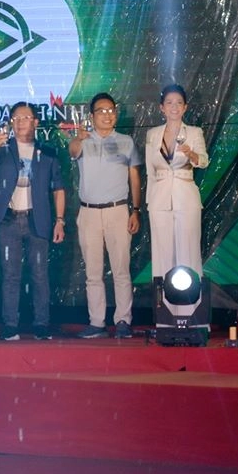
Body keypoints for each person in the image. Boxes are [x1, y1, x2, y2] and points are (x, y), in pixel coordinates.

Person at [0, 102, 66, 341]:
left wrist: (60, 220)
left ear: (36, 122)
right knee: (10, 275)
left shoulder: (47, 152)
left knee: (39, 274)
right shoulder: (4, 148)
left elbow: (58, 188)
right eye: (16, 118)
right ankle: (10, 325)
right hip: (8, 219)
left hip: (37, 220)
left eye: (26, 118)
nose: (20, 122)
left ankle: (41, 324)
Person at [69, 93, 143, 339]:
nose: (108, 115)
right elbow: (72, 151)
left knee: (121, 270)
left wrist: (136, 210)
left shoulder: (126, 141)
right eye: (102, 111)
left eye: (111, 110)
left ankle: (123, 320)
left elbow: (134, 177)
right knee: (93, 273)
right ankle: (97, 322)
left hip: (117, 211)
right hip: (89, 212)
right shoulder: (83, 140)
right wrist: (79, 138)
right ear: (92, 116)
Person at [144, 84, 209, 287]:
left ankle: (192, 304)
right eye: (169, 103)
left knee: (189, 251)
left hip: (186, 197)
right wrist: (149, 201)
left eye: (179, 103)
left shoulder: (194, 132)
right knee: (162, 252)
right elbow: (150, 171)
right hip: (159, 199)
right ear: (161, 107)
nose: (174, 107)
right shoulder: (153, 134)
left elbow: (204, 161)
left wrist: (191, 153)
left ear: (185, 107)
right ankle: (164, 304)